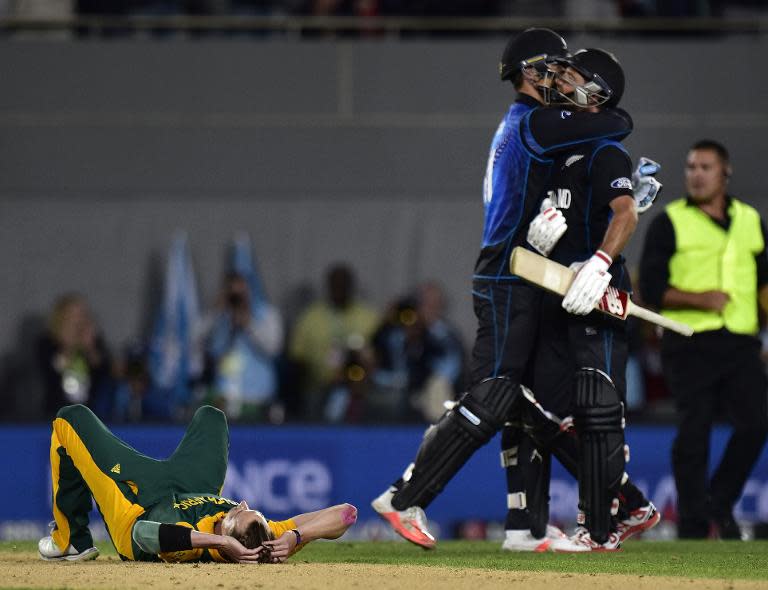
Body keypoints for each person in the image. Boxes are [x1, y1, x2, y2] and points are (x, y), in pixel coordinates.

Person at [371, 28, 637, 550]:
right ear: (532, 72)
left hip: (519, 270)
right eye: (555, 69)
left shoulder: (528, 123)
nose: (562, 79)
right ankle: (405, 498)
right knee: (495, 392)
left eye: (569, 72)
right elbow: (616, 123)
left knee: (525, 401)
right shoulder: (537, 120)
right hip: (507, 273)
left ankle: (528, 525)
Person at [508, 48, 660, 552]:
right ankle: (630, 501)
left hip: (598, 292)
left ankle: (599, 529)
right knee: (543, 412)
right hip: (557, 294)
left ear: (595, 93)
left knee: (597, 406)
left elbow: (625, 214)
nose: (559, 85)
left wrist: (598, 263)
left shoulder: (605, 150)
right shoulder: (559, 152)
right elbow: (553, 220)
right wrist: (540, 238)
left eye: (570, 78)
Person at [639, 139, 768, 540]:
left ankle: (720, 500)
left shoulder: (750, 219)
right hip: (689, 340)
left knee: (758, 421)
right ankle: (693, 523)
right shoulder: (670, 221)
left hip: (740, 342)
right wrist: (700, 299)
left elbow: (764, 282)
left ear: (725, 173)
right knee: (695, 430)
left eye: (705, 167)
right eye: (691, 167)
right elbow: (652, 288)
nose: (696, 174)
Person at [38, 403, 357, 563]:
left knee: (70, 419)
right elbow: (346, 513)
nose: (243, 504)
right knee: (212, 417)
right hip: (192, 485)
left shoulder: (193, 548)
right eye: (251, 509)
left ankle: (70, 540)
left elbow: (144, 534)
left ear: (225, 535)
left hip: (140, 503)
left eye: (235, 514)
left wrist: (218, 543)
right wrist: (297, 535)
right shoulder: (263, 539)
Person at [289, 263, 379, 419]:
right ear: (328, 285)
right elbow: (297, 358)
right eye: (336, 284)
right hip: (319, 388)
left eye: (344, 284)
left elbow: (379, 355)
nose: (340, 288)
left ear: (351, 286)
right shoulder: (311, 317)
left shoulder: (369, 317)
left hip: (359, 391)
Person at [200, 271, 283, 421]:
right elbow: (194, 340)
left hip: (257, 399)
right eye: (233, 294)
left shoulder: (267, 314)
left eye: (241, 293)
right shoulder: (220, 316)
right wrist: (214, 312)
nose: (237, 299)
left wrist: (248, 324)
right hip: (223, 400)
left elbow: (274, 349)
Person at [38, 293, 115, 420]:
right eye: (73, 315)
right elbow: (55, 367)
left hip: (91, 413)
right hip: (55, 412)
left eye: (82, 315)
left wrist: (90, 348)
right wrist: (71, 346)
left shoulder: (93, 343)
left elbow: (104, 369)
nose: (79, 321)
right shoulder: (47, 343)